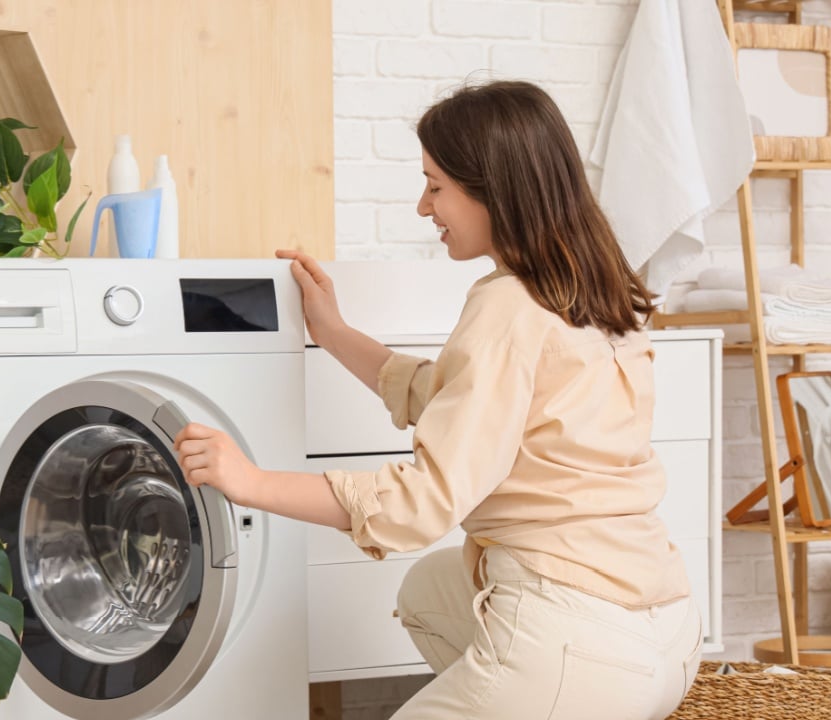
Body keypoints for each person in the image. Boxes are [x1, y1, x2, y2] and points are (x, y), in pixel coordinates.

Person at [173, 80, 701, 719]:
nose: (424, 207)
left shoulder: (506, 306)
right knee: (428, 589)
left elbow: (421, 504)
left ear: (495, 190)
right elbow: (461, 399)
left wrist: (250, 482)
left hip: (578, 643)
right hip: (667, 634)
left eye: (436, 185)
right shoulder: (596, 290)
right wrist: (335, 333)